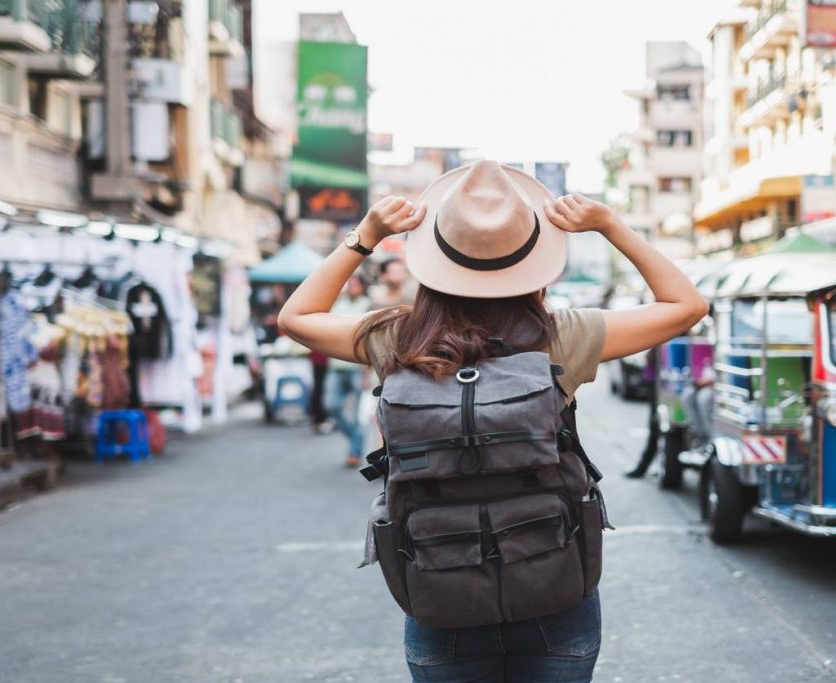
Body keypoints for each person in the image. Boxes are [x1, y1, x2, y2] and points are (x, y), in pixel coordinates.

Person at [278, 161, 706, 682]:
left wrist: (365, 236)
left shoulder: (398, 339)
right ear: (533, 261)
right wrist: (610, 226)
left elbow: (294, 319)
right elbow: (687, 305)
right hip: (554, 582)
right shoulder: (562, 337)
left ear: (433, 259)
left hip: (440, 588)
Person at [324, 275, 370, 466]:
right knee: (331, 405)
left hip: (358, 367)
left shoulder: (368, 304)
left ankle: (354, 451)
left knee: (360, 413)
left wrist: (368, 371)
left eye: (354, 284)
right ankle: (355, 438)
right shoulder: (339, 304)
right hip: (336, 366)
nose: (350, 287)